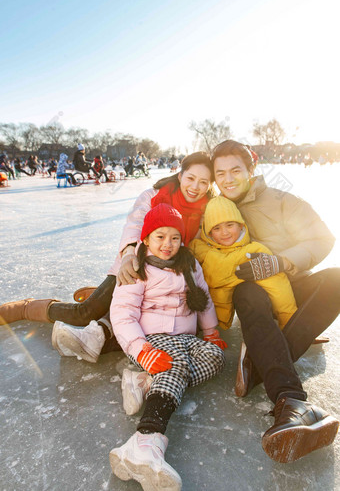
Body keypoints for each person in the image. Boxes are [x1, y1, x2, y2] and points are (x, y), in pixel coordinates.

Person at [0, 152, 214, 359]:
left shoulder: (207, 210)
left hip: (169, 280)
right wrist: (130, 256)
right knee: (84, 313)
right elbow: (134, 225)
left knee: (166, 329)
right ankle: (26, 308)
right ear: (180, 176)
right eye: (191, 178)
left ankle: (107, 304)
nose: (196, 187)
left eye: (203, 182)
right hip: (137, 267)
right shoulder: (153, 196)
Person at [210, 139, 339, 463]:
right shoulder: (217, 208)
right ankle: (291, 401)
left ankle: (257, 362)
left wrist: (281, 261)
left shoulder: (282, 200)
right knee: (248, 294)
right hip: (251, 292)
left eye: (235, 170)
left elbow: (322, 238)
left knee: (336, 279)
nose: (227, 179)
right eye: (220, 173)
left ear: (251, 168)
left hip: (290, 283)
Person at [108, 203, 226, 490]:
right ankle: (145, 439)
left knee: (215, 358)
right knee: (175, 366)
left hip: (186, 335)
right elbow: (123, 313)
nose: (167, 244)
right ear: (146, 238)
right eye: (160, 237)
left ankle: (147, 383)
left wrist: (210, 331)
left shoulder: (190, 264)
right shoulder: (138, 268)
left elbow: (203, 296)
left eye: (174, 237)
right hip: (152, 338)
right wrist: (141, 351)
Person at [189, 196, 297, 332]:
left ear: (240, 225)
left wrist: (288, 319)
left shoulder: (253, 251)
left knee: (251, 293)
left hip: (247, 308)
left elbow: (278, 285)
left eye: (230, 225)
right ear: (209, 233)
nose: (225, 232)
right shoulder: (199, 250)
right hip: (207, 321)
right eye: (216, 228)